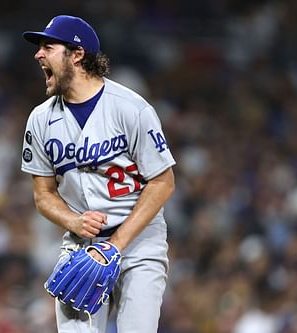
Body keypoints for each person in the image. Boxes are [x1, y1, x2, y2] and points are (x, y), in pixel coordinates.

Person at [21, 15, 176, 333]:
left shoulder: (131, 108)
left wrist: (115, 245)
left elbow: (163, 182)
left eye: (48, 47)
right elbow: (43, 194)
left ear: (76, 54)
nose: (39, 55)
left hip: (138, 244)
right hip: (80, 246)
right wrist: (72, 221)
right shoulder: (39, 120)